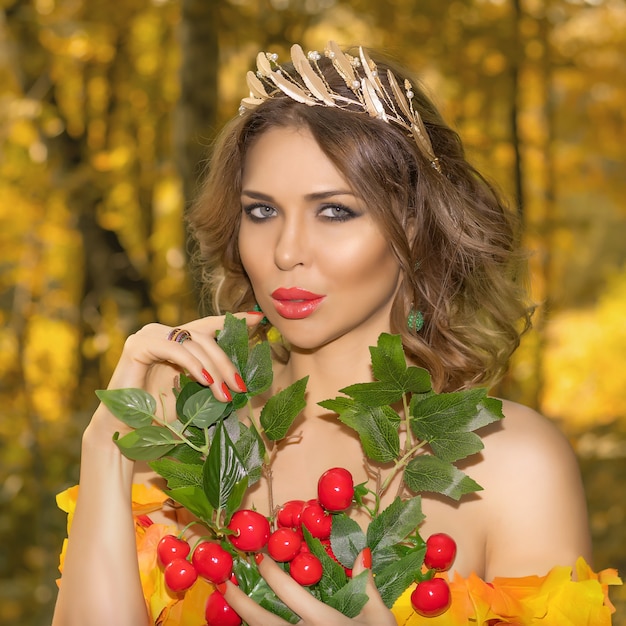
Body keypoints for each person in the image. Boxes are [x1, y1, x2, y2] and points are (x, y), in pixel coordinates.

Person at [52, 41, 618, 626]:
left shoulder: (513, 469)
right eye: (262, 211)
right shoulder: (182, 437)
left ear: (415, 225)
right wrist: (107, 448)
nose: (287, 251)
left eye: (335, 211)